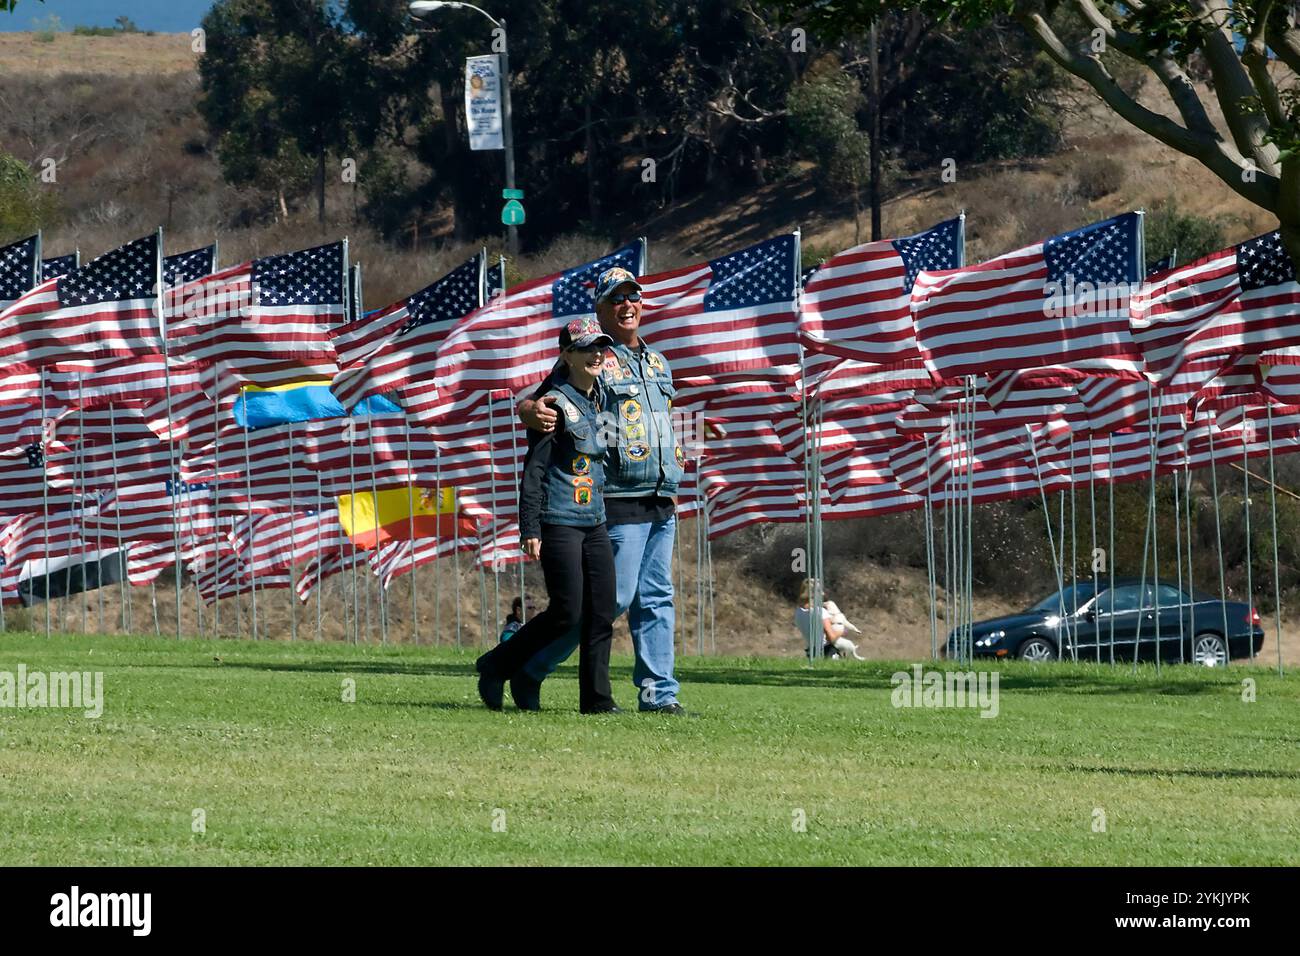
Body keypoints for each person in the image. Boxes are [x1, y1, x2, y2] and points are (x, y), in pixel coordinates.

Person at [514, 266, 688, 715]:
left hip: (661, 494)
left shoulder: (657, 362)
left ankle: (659, 695)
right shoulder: (592, 355)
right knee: (610, 600)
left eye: (634, 297)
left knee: (656, 598)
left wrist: (680, 443)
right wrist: (529, 411)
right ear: (600, 307)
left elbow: (654, 418)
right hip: (612, 494)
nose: (627, 306)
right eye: (616, 299)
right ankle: (529, 664)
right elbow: (541, 400)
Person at [474, 316, 621, 714]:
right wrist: (530, 526)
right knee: (566, 611)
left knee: (601, 612)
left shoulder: (602, 397)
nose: (596, 353)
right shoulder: (552, 404)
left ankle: (596, 700)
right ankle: (496, 664)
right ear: (567, 355)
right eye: (587, 347)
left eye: (600, 346)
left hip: (595, 520)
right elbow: (535, 468)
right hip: (559, 519)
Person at [795, 579, 866, 661]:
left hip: (811, 653)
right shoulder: (820, 612)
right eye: (820, 591)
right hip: (827, 652)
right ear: (814, 594)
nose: (823, 594)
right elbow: (831, 638)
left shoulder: (798, 611)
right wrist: (843, 630)